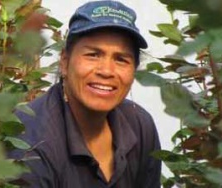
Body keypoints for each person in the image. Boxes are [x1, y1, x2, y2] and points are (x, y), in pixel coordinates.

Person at [12, 0, 161, 187]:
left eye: (121, 59)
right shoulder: (31, 140)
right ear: (65, 62)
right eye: (93, 54)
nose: (106, 71)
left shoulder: (139, 125)